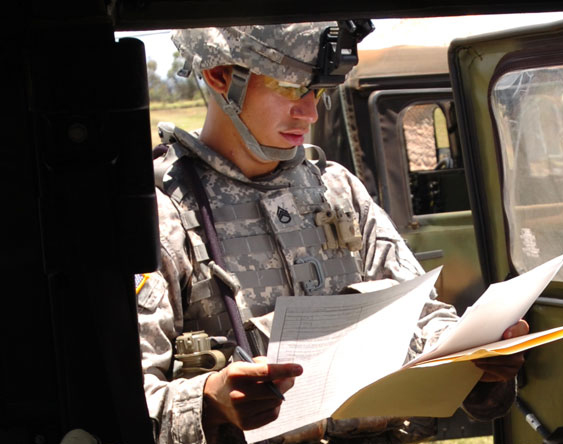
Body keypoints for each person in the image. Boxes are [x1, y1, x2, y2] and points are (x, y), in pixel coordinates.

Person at [136, 21, 529, 444]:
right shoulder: (164, 212)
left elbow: (422, 313)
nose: (310, 112)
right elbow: (128, 399)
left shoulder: (337, 189)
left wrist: (475, 358)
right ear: (219, 76)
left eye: (317, 91)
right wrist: (211, 401)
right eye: (289, 87)